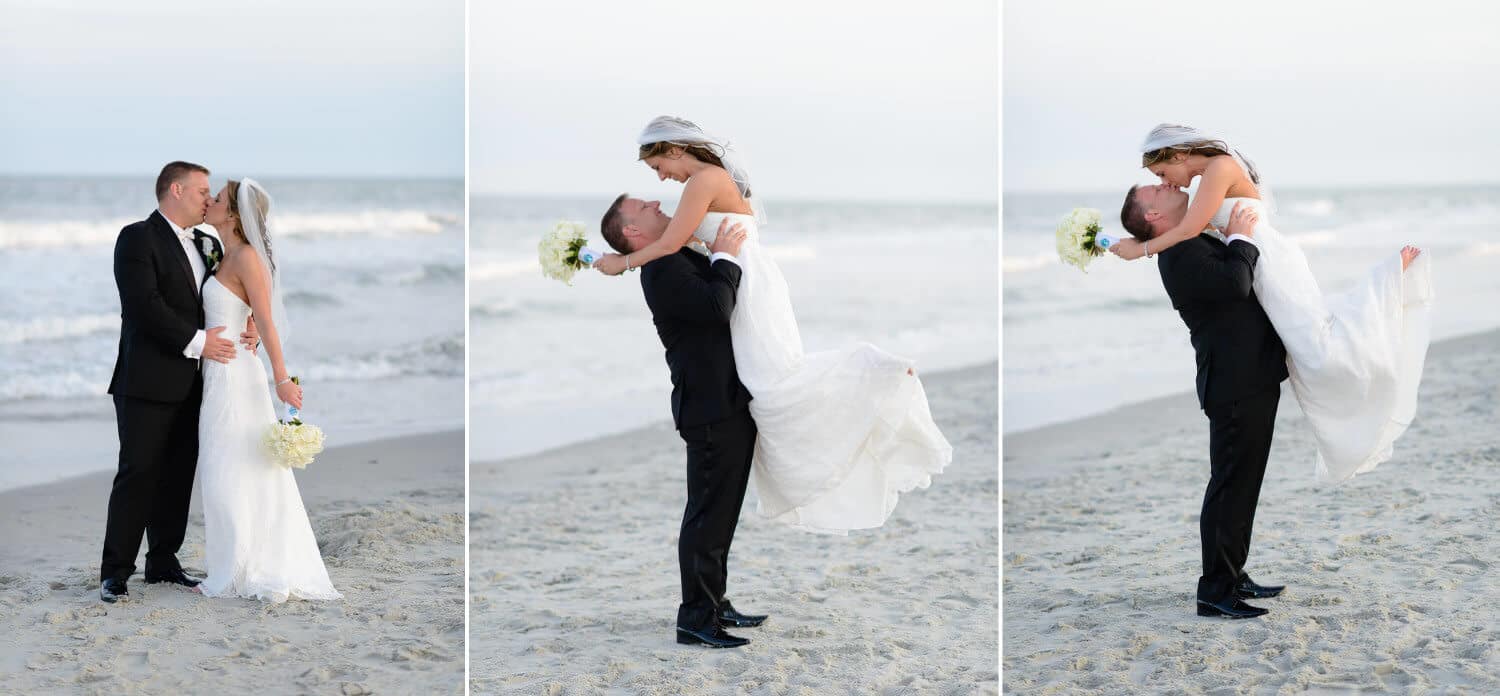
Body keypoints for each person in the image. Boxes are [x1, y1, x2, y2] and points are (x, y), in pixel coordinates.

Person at [1115, 124, 1433, 484]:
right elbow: (1183, 229)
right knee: (1309, 345)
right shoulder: (1211, 174)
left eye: (1161, 172)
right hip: (1258, 262)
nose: (1167, 181)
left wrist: (1139, 249)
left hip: (1269, 262)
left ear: (1178, 155)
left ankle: (1388, 280)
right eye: (1158, 179)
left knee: (1319, 344)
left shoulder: (1218, 168)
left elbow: (1187, 230)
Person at [194, 178, 341, 603]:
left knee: (234, 471)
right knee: (226, 470)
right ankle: (231, 563)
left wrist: (282, 378)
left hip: (239, 378)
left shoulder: (247, 259)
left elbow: (267, 320)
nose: (210, 202)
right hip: (217, 377)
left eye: (217, 199)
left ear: (236, 214)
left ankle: (244, 568)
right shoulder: (221, 253)